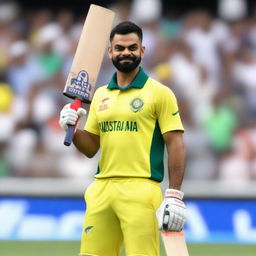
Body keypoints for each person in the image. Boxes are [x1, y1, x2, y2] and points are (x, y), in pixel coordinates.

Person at [59, 21, 186, 256]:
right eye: (119, 48)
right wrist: (73, 129)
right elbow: (91, 148)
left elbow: (175, 143)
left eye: (132, 47)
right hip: (101, 187)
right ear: (110, 51)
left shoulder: (159, 93)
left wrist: (174, 195)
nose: (125, 52)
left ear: (142, 50)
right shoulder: (100, 95)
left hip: (141, 188)